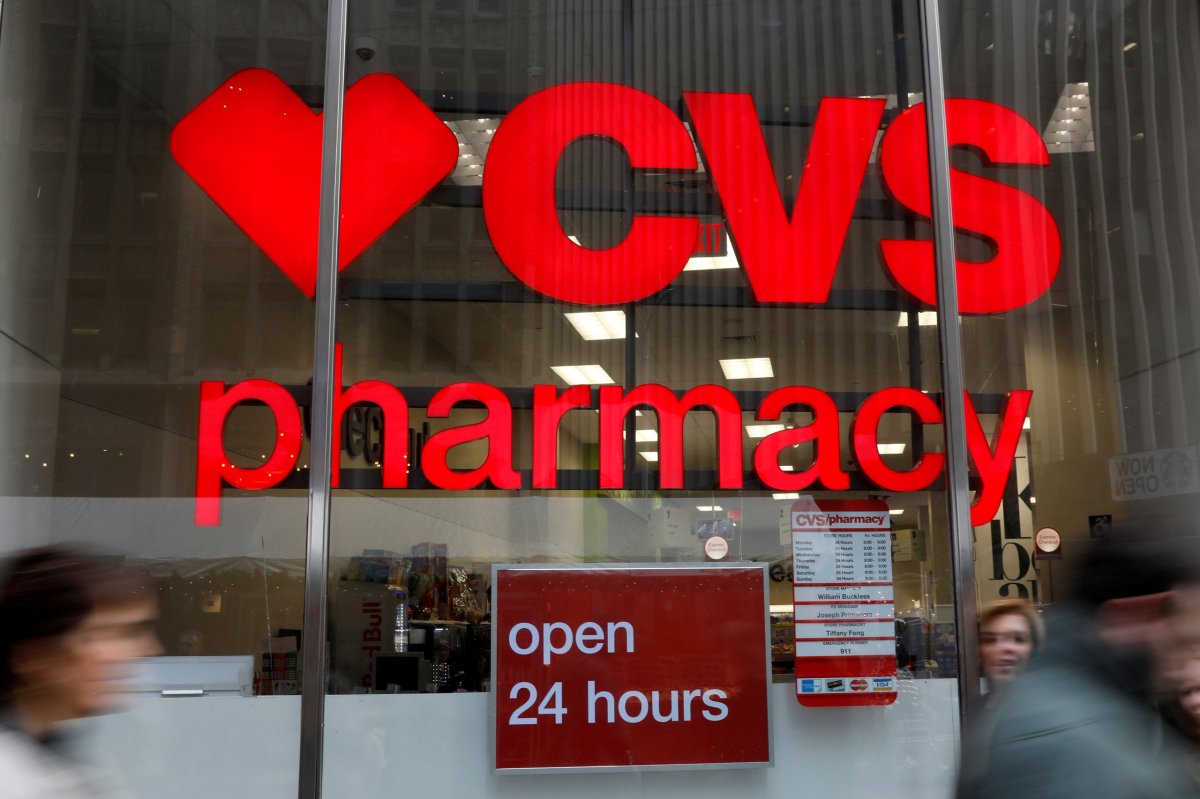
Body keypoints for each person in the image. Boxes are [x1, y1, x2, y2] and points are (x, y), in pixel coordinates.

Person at [957, 531, 1200, 798]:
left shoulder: (1028, 704)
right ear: (1144, 611)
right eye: (1183, 640)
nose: (1182, 665)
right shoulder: (1095, 746)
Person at [0, 545, 161, 798]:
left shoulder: (66, 754)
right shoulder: (11, 775)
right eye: (112, 633)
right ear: (33, 654)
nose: (148, 649)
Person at [978, 598, 1043, 703]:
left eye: (1018, 639)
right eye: (990, 639)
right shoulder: (977, 711)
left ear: (1034, 648)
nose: (1004, 647)